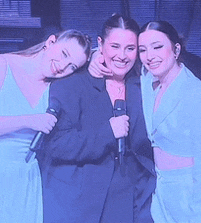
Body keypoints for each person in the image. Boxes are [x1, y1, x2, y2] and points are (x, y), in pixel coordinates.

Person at [38, 14, 156, 223]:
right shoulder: (72, 83)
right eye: (115, 46)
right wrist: (107, 133)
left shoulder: (144, 87)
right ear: (100, 44)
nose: (122, 55)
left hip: (129, 203)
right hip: (79, 204)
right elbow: (55, 145)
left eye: (130, 48)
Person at [0, 29, 91, 223]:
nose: (63, 67)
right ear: (51, 42)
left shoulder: (56, 87)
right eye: (64, 54)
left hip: (26, 179)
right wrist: (28, 120)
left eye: (72, 66)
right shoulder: (4, 65)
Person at [139, 21, 201, 222]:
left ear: (175, 49)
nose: (149, 56)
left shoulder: (195, 94)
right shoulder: (149, 81)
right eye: (143, 49)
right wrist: (96, 55)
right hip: (160, 192)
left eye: (157, 47)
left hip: (190, 193)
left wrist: (200, 211)